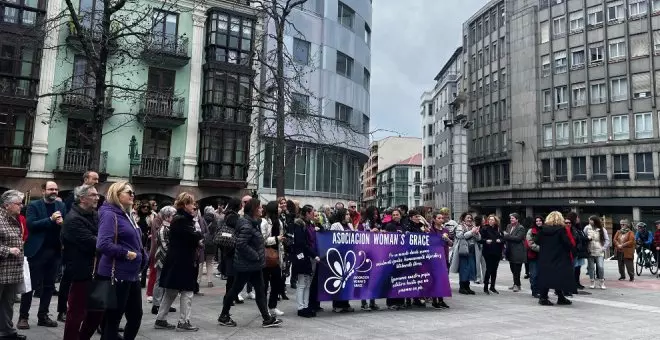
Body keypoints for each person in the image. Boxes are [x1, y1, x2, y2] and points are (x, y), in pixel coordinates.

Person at [218, 199, 282, 328]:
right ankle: (224, 315)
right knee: (235, 290)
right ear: (253, 209)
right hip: (246, 265)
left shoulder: (253, 223)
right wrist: (256, 255)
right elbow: (241, 244)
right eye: (259, 208)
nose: (261, 209)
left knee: (259, 290)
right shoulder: (247, 224)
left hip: (253, 265)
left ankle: (267, 318)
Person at [97, 181, 149, 340]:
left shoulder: (127, 214)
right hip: (115, 274)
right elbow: (103, 244)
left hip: (131, 274)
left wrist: (142, 256)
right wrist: (126, 253)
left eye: (133, 192)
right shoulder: (109, 213)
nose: (132, 195)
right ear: (116, 194)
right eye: (128, 192)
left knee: (135, 316)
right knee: (113, 320)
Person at [18, 181, 67, 329]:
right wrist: (50, 220)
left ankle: (43, 316)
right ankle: (23, 317)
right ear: (43, 190)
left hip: (55, 251)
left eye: (56, 189)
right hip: (37, 251)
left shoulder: (61, 206)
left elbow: (65, 226)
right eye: (51, 189)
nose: (54, 191)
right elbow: (31, 225)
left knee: (49, 286)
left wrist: (62, 223)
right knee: (30, 286)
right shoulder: (34, 205)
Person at [154, 192, 203, 332]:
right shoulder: (182, 219)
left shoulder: (179, 218)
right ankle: (184, 321)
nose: (194, 207)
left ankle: (161, 319)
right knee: (187, 291)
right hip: (183, 261)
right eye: (192, 203)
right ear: (185, 204)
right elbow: (194, 236)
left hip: (176, 260)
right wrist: (198, 237)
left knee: (171, 291)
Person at [61, 185, 104, 340]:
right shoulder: (73, 219)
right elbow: (95, 242)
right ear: (82, 198)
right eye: (93, 195)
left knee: (98, 312)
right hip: (81, 272)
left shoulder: (96, 215)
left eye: (97, 195)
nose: (97, 197)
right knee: (76, 313)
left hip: (99, 271)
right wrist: (106, 240)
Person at [0, 190, 27, 340]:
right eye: (18, 204)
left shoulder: (13, 218)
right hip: (2, 268)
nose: (21, 206)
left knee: (8, 303)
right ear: (7, 205)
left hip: (11, 271)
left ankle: (7, 332)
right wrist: (8, 250)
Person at [537, 211, 576, 306]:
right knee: (559, 277)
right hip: (559, 257)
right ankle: (557, 297)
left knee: (546, 277)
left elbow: (537, 241)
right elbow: (567, 244)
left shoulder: (542, 229)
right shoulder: (561, 230)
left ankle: (544, 297)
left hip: (545, 257)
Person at [290, 205, 319, 318]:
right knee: (302, 283)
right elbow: (301, 243)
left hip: (308, 256)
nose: (313, 214)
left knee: (307, 283)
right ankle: (300, 307)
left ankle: (306, 306)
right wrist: (313, 254)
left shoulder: (309, 224)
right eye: (312, 212)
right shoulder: (299, 225)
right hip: (302, 257)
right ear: (307, 213)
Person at [151, 206, 177, 315]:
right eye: (173, 216)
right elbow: (165, 245)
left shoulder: (170, 227)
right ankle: (156, 305)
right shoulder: (163, 229)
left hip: (167, 257)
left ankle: (164, 304)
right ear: (167, 217)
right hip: (163, 258)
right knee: (159, 281)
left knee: (165, 281)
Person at [329, 208, 355, 313]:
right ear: (342, 215)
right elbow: (332, 238)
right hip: (339, 255)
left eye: (349, 214)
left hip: (348, 255)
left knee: (347, 280)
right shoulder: (335, 225)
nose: (349, 216)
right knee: (339, 280)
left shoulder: (350, 226)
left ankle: (345, 303)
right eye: (347, 214)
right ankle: (337, 305)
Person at [260, 201, 284, 317]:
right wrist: (276, 238)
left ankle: (273, 306)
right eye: (279, 206)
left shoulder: (279, 222)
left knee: (276, 283)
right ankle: (264, 308)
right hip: (265, 255)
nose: (281, 208)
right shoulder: (264, 222)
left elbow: (281, 240)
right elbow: (263, 240)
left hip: (276, 256)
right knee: (264, 284)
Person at [449, 212, 481, 295]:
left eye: (470, 218)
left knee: (471, 269)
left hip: (472, 251)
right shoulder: (460, 226)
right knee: (464, 269)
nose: (469, 219)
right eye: (468, 218)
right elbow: (460, 236)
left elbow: (479, 238)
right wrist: (472, 232)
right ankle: (462, 287)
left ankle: (467, 287)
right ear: (463, 219)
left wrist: (476, 233)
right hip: (463, 251)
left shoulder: (473, 227)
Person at [427, 213, 451, 309]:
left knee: (443, 278)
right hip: (434, 257)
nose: (441, 220)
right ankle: (434, 300)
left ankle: (441, 300)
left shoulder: (445, 230)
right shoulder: (431, 230)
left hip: (444, 256)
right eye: (439, 218)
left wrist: (447, 238)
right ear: (434, 219)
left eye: (442, 218)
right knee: (434, 279)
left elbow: (451, 243)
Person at [384, 209, 406, 308]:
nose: (395, 216)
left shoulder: (403, 226)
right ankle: (391, 302)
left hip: (402, 256)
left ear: (400, 216)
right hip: (392, 256)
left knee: (401, 280)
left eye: (397, 214)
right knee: (392, 280)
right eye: (393, 215)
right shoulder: (389, 225)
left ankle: (400, 301)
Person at [584, 216, 610, 290]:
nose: (589, 222)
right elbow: (583, 238)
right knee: (591, 267)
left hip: (599, 251)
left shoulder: (602, 229)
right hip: (590, 250)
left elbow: (607, 240)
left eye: (591, 220)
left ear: (595, 221)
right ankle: (592, 282)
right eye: (589, 220)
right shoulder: (586, 228)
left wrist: (603, 248)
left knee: (600, 267)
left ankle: (601, 281)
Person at [480, 215, 503, 295]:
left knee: (495, 270)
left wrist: (500, 240)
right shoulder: (484, 228)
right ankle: (485, 287)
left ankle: (492, 287)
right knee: (489, 269)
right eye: (489, 219)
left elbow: (503, 238)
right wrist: (486, 241)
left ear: (495, 221)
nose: (490, 221)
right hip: (488, 252)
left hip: (497, 251)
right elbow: (480, 239)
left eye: (492, 220)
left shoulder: (498, 229)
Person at [503, 213, 526, 292]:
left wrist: (507, 236)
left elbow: (518, 238)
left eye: (512, 218)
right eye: (510, 218)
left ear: (517, 219)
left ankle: (516, 285)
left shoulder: (521, 228)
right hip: (510, 250)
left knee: (517, 269)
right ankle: (516, 284)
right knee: (512, 269)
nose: (511, 220)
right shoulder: (509, 226)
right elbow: (506, 236)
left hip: (518, 251)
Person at [566, 212, 588, 291]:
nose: (578, 219)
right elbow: (578, 238)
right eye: (577, 217)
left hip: (579, 250)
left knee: (578, 267)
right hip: (575, 250)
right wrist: (587, 238)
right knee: (574, 268)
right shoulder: (572, 227)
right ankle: (574, 283)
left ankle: (577, 282)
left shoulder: (579, 227)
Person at [201, 206, 218, 288]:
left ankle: (198, 281)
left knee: (200, 263)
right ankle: (209, 281)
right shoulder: (215, 221)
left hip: (202, 243)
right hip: (212, 244)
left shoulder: (201, 219)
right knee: (209, 262)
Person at [526, 216, 543, 297]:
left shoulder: (545, 230)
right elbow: (530, 243)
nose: (538, 222)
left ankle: (540, 290)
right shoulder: (531, 231)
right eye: (537, 221)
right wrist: (541, 249)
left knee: (541, 274)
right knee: (534, 274)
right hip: (533, 255)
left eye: (540, 221)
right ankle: (534, 290)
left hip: (543, 257)